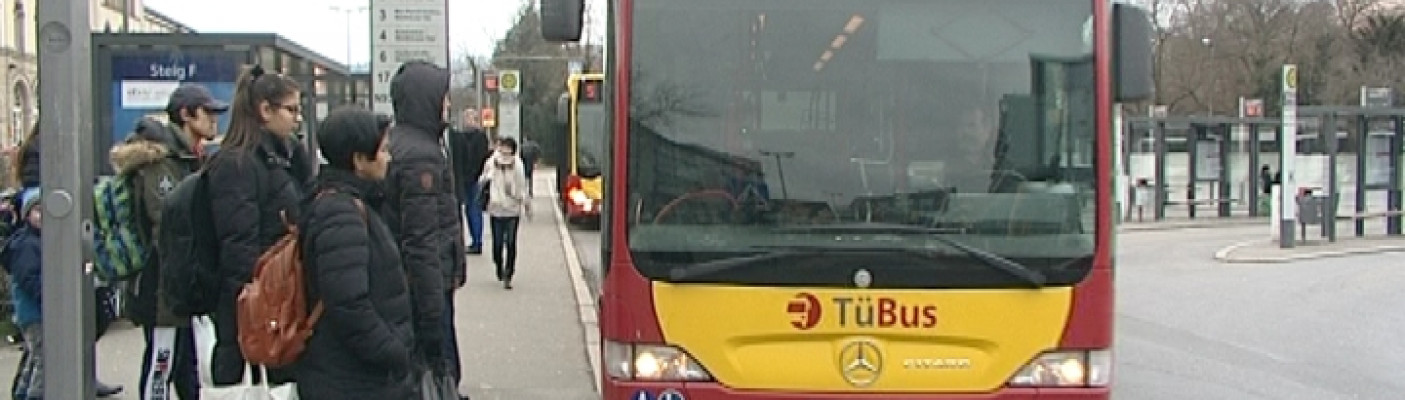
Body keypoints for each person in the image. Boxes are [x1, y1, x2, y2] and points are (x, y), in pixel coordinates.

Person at [295, 106, 417, 400]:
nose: (389, 158)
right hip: (350, 377)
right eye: (383, 150)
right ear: (359, 160)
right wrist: (392, 351)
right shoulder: (341, 214)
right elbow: (347, 303)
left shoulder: (351, 202)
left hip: (355, 372)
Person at [119, 83, 225, 400]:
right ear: (185, 115)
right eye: (207, 112)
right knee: (162, 362)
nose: (214, 119)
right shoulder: (162, 162)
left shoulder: (189, 158)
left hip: (180, 282)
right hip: (162, 283)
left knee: (186, 366)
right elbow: (164, 225)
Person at [204, 65, 308, 386]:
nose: (298, 119)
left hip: (279, 294)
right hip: (256, 303)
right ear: (265, 110)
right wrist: (256, 304)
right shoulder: (237, 164)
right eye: (291, 110)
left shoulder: (281, 158)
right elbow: (238, 244)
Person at [382, 60, 468, 396]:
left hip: (411, 284)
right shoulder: (422, 156)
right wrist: (433, 313)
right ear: (426, 100)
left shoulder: (403, 144)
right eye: (443, 97)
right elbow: (422, 240)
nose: (448, 104)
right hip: (426, 287)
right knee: (438, 372)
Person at [479, 138, 531, 290]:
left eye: (508, 149)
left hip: (512, 209)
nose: (504, 152)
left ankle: (509, 273)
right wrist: (487, 178)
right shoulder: (491, 162)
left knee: (511, 242)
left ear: (513, 151)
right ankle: (498, 264)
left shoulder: (518, 165)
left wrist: (526, 203)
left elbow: (522, 186)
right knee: (497, 243)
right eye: (503, 148)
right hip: (496, 208)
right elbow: (483, 179)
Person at [448, 109, 492, 254]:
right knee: (469, 209)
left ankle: (477, 241)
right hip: (466, 178)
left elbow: (482, 158)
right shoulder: (461, 137)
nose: (466, 121)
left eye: (469, 118)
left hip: (475, 179)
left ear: (475, 120)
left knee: (474, 209)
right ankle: (474, 240)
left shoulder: (479, 137)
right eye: (465, 118)